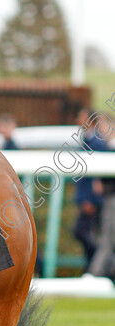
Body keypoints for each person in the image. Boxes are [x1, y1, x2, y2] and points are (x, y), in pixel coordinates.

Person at [72, 109, 108, 270]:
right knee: (83, 233)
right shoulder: (86, 140)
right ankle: (92, 265)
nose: (78, 119)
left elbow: (99, 176)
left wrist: (91, 199)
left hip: (92, 199)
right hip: (85, 197)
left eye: (81, 116)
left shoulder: (98, 143)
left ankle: (100, 264)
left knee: (82, 232)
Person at [88, 115, 115, 280]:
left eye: (104, 126)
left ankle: (96, 273)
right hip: (109, 198)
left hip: (112, 198)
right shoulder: (107, 148)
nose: (101, 131)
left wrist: (103, 185)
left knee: (107, 237)